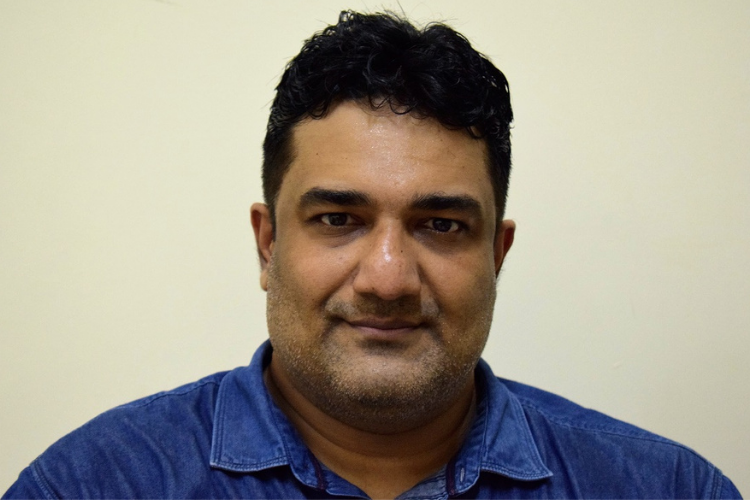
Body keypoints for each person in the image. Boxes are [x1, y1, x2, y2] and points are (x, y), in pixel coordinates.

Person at [3, 10, 742, 500]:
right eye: (338, 219)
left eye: (441, 226)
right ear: (268, 244)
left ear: (497, 254)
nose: (388, 278)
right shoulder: (91, 485)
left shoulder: (670, 489)